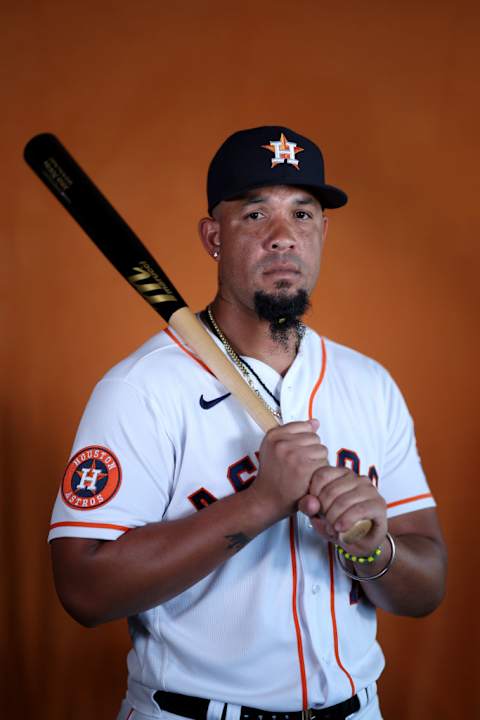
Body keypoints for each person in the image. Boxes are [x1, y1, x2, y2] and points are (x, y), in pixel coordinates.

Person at [49, 126, 447, 720]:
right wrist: (260, 502)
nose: (284, 237)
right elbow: (82, 590)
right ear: (214, 237)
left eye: (303, 214)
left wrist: (373, 550)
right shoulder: (142, 389)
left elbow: (428, 582)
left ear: (322, 233)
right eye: (256, 213)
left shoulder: (370, 385)